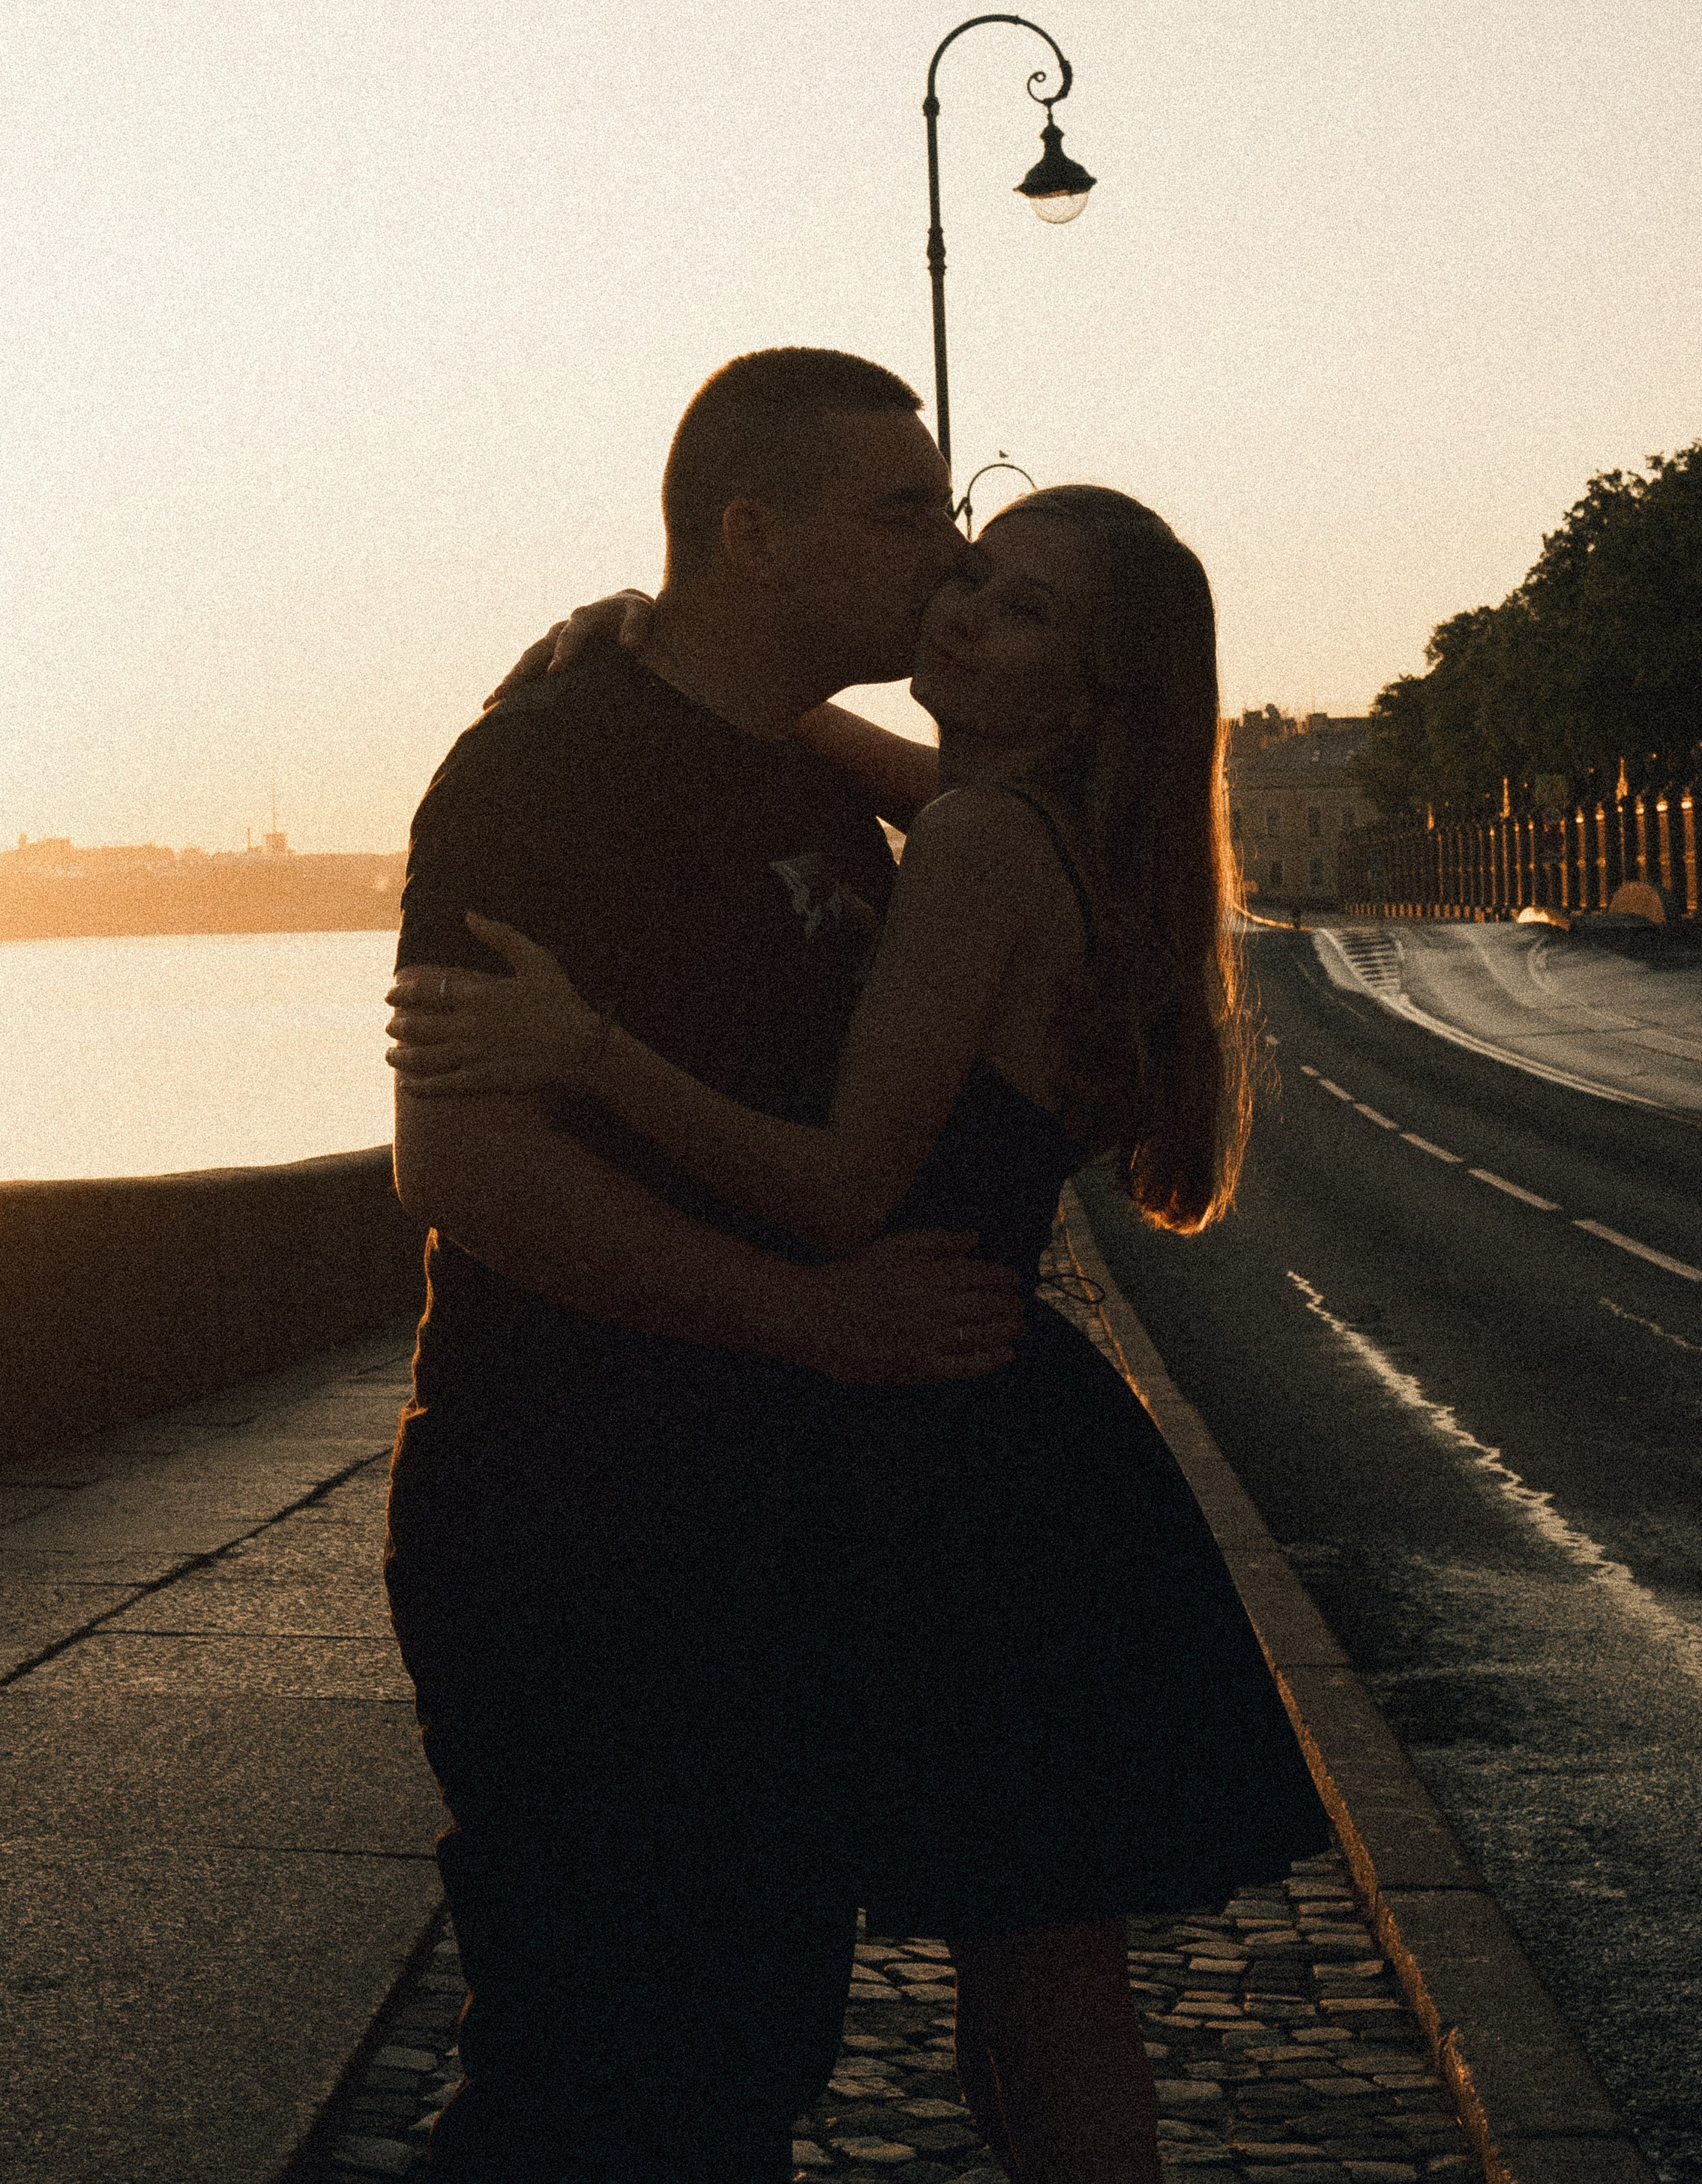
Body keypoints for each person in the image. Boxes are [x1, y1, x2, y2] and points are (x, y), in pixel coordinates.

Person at [391, 480, 1330, 2184]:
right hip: (1011, 1427)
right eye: (968, 570)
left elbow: (834, 1195)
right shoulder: (1052, 823)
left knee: (1026, 1992)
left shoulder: (979, 846)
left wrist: (583, 1046)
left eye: (1024, 609)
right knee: (1034, 1972)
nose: (962, 610)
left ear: (1092, 685)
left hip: (946, 1431)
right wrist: (661, 639)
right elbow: (857, 757)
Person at [382, 347, 1030, 2184]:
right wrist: (808, 1320)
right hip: (575, 1518)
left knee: (742, 2055)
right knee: (591, 2072)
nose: (945, 550)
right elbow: (462, 1164)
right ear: (748, 533)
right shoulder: (546, 770)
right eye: (901, 511)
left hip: (773, 1528)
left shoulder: (818, 788)